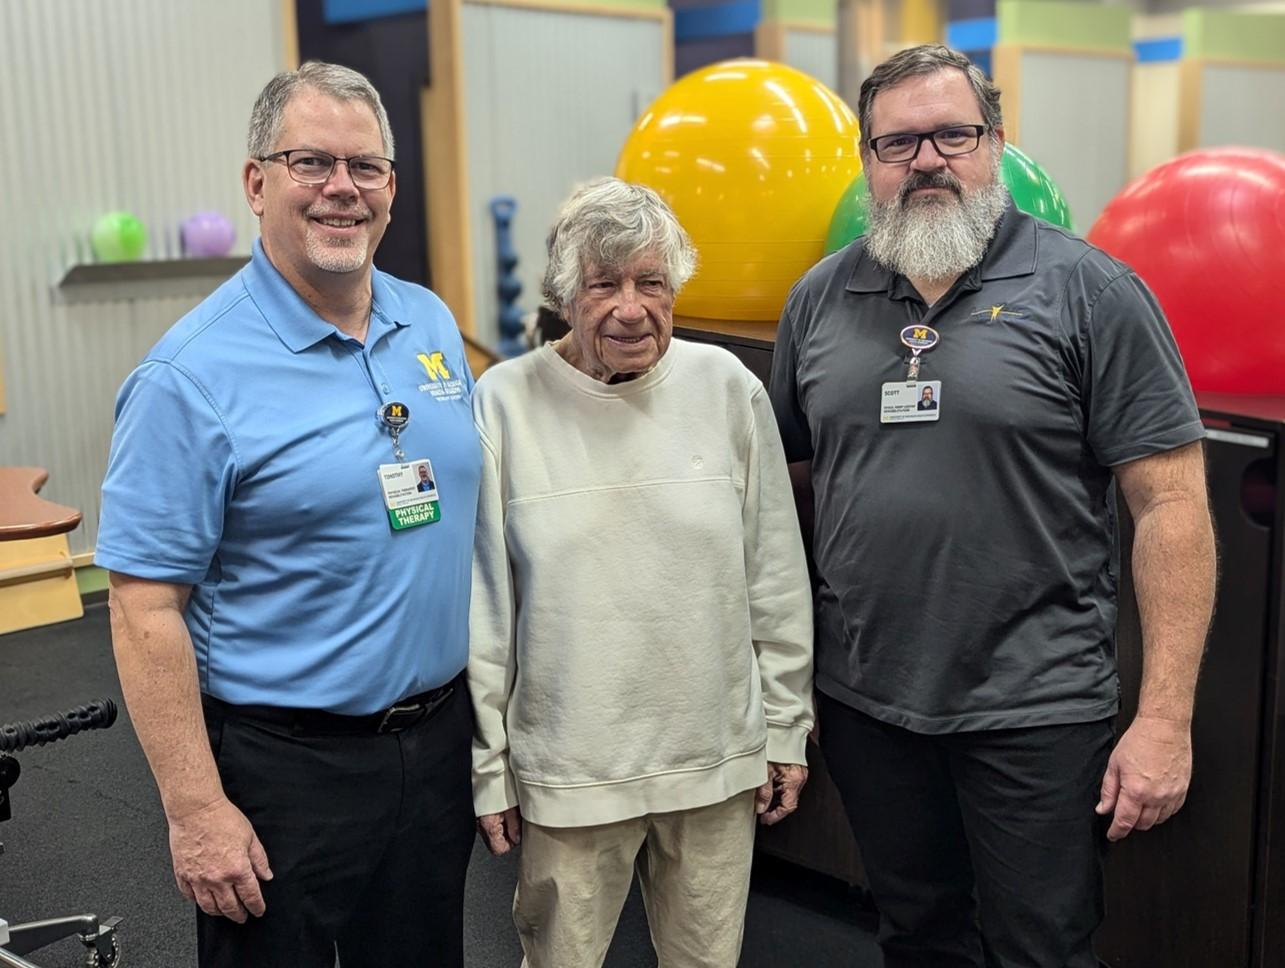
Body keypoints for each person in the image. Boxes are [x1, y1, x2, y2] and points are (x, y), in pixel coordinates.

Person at [769, 44, 1216, 968]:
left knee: (1038, 948)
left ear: (997, 144)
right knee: (916, 936)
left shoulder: (1091, 293)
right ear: (867, 161)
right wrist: (784, 681)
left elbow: (1171, 504)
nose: (925, 160)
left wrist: (1165, 720)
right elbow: (789, 489)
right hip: (868, 702)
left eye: (952, 134)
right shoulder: (820, 299)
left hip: (1035, 709)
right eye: (897, 143)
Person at [95, 62, 480, 968]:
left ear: (391, 187)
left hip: (432, 750)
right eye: (311, 162)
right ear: (256, 181)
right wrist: (196, 811)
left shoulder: (427, 323)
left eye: (366, 167)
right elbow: (142, 608)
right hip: (283, 770)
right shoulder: (186, 377)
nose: (342, 189)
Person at [469, 177, 815, 968]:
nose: (631, 307)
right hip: (570, 769)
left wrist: (785, 727)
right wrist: (491, 768)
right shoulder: (505, 403)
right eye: (604, 284)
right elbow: (486, 607)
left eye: (650, 282)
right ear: (565, 295)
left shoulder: (727, 388)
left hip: (714, 757)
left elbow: (774, 573)